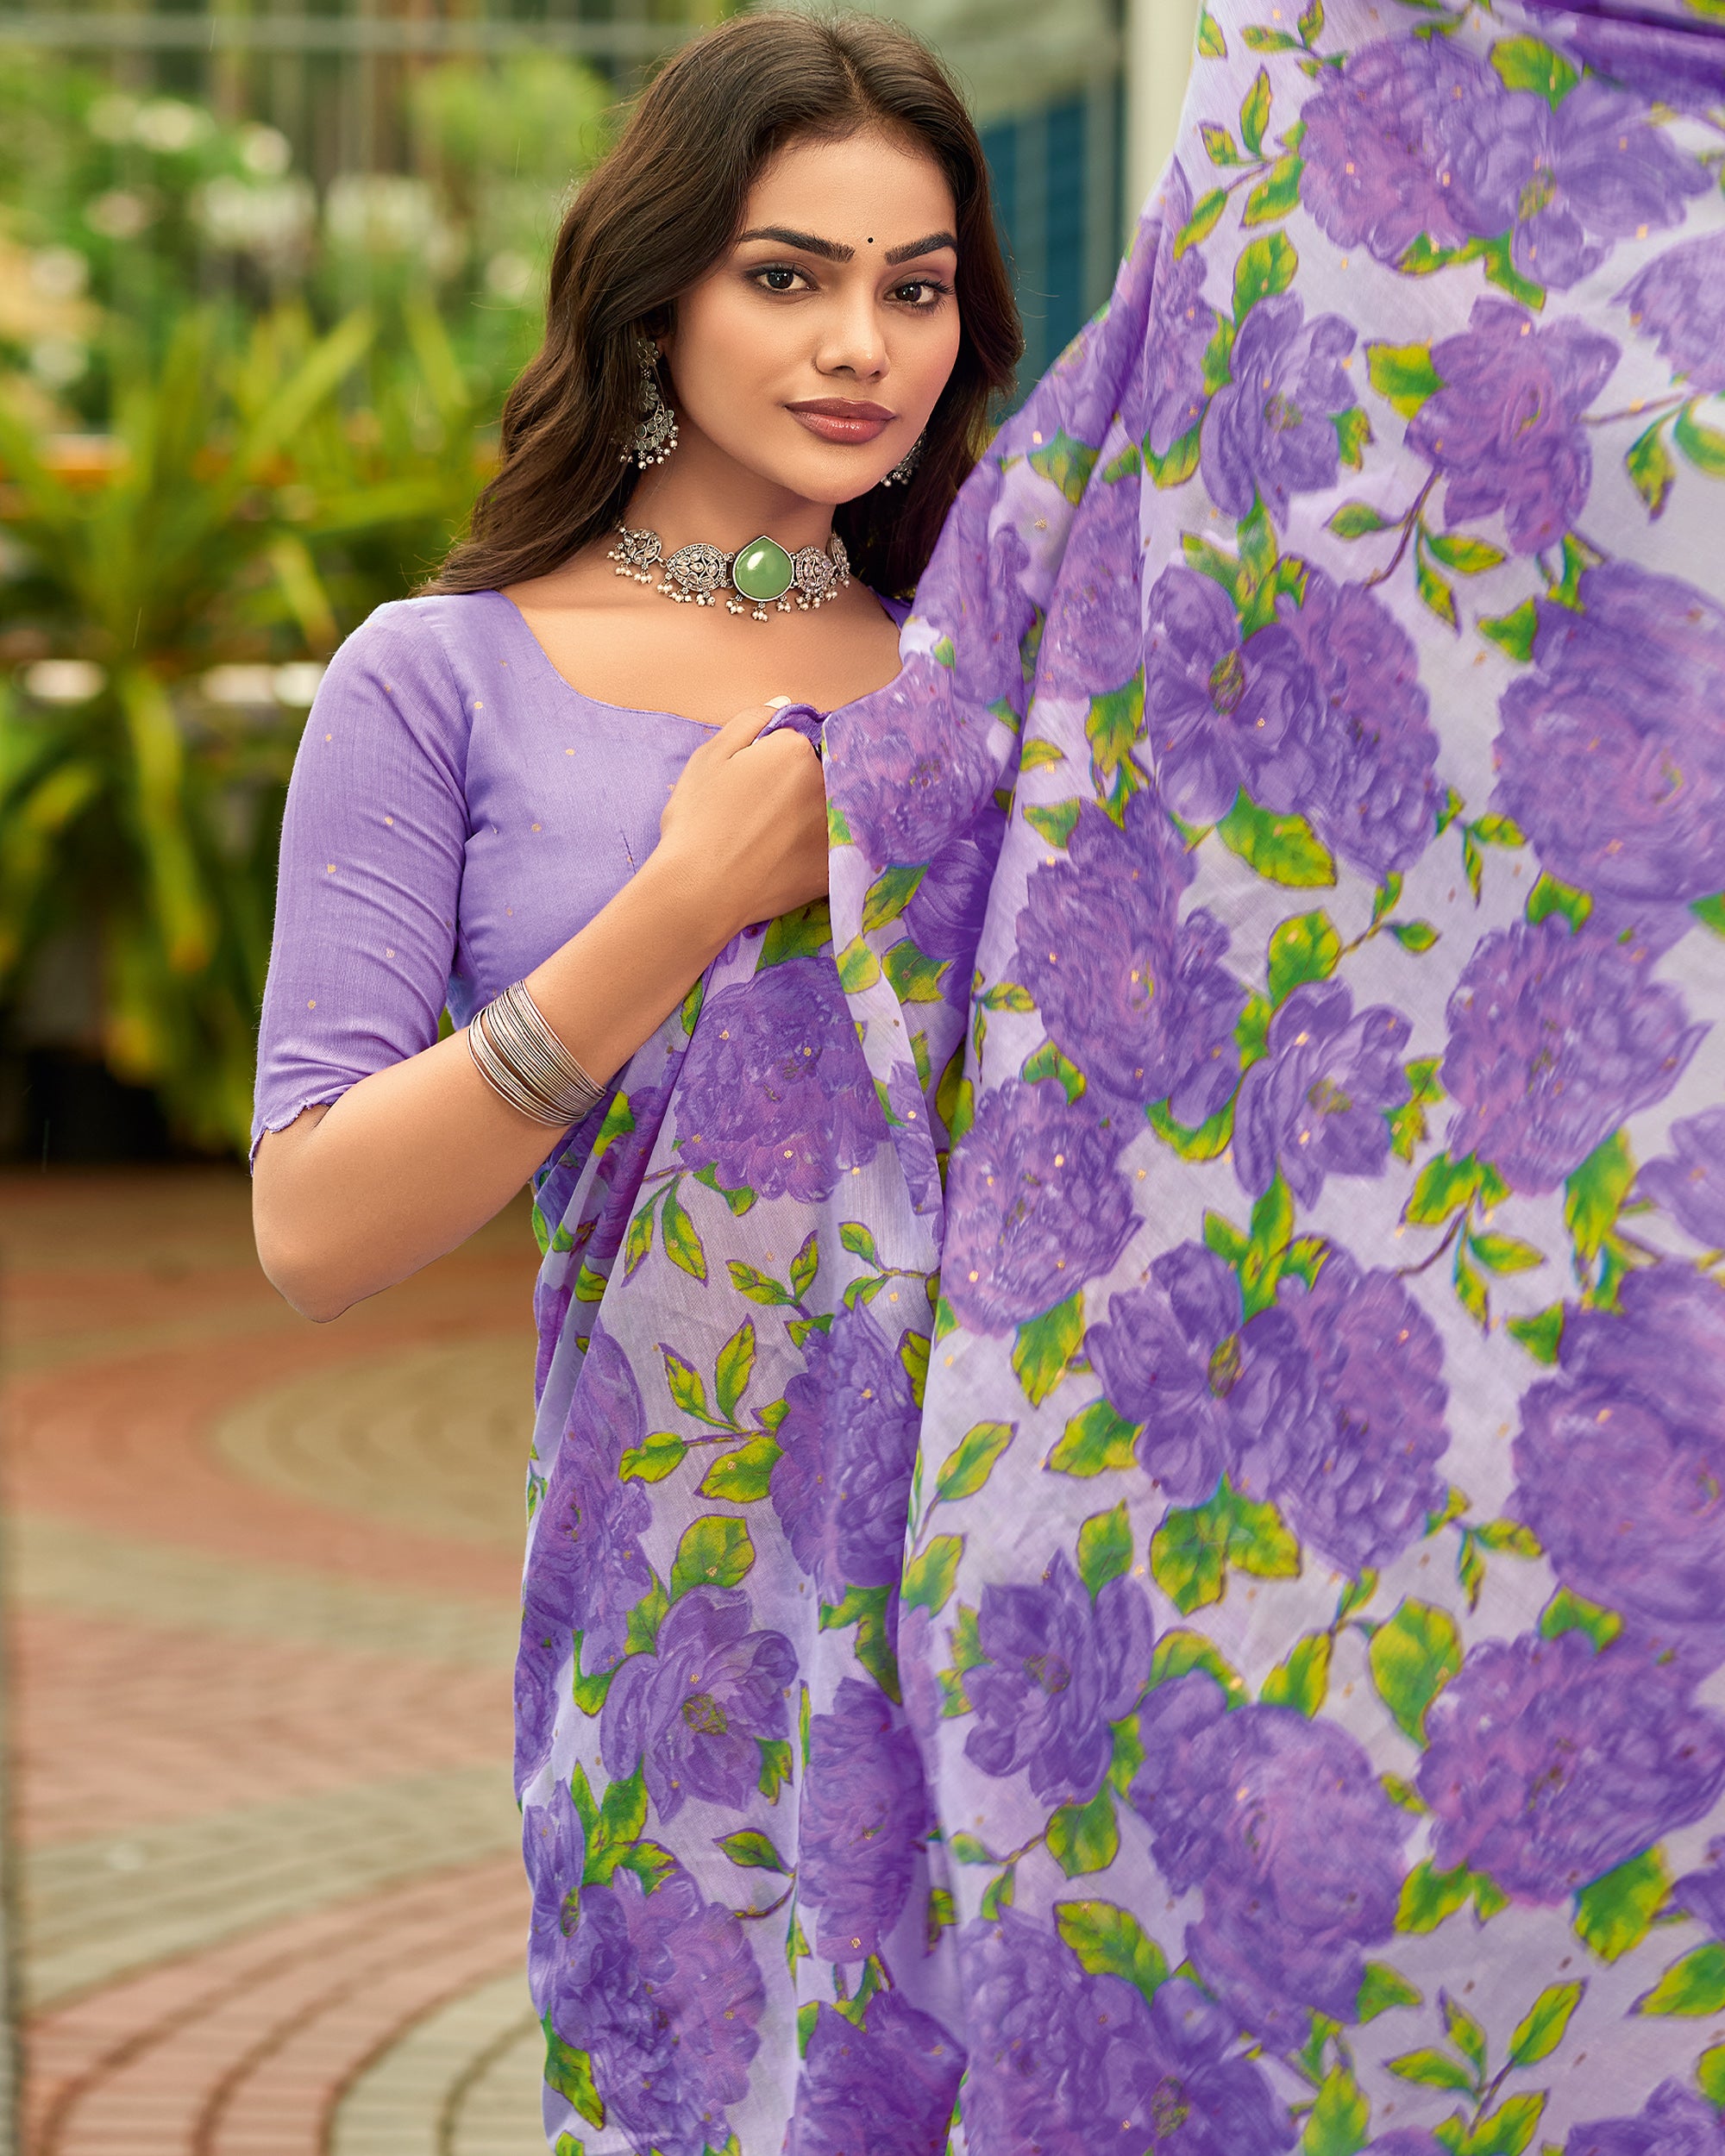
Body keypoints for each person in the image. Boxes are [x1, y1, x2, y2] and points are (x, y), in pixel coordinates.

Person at [257, 0, 1725, 2146]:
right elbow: (308, 1227)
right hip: (683, 1608)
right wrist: (679, 905)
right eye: (790, 275)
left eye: (917, 287)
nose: (864, 344)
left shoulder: (1014, 658)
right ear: (652, 290)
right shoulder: (444, 676)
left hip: (1012, 1588)